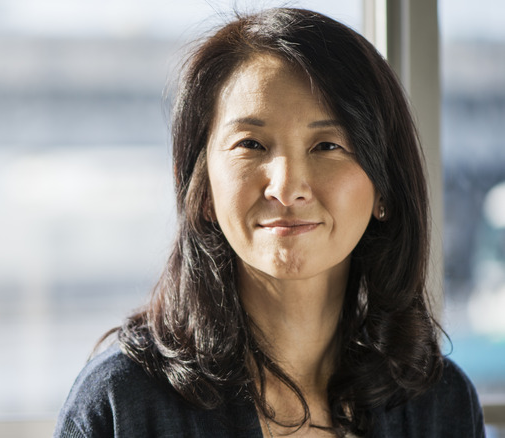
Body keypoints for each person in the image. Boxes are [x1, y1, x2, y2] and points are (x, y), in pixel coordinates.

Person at [54, 8, 484, 438]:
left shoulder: (439, 403)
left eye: (327, 145)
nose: (286, 187)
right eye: (251, 144)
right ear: (202, 189)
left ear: (384, 188)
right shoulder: (121, 403)